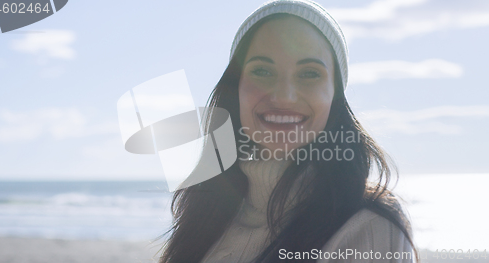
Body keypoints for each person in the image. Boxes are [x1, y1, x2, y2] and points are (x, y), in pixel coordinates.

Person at [159, 0, 418, 262]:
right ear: (236, 88)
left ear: (335, 96)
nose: (285, 96)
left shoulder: (372, 231)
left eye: (309, 74)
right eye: (262, 71)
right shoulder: (203, 217)